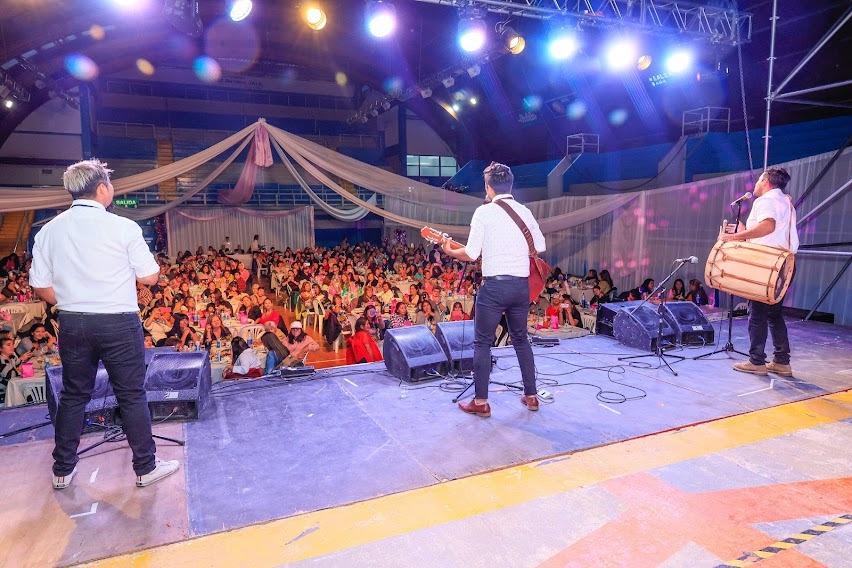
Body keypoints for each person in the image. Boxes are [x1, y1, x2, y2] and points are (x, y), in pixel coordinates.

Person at [30, 158, 179, 489]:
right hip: (117, 322)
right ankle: (145, 467)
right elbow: (149, 276)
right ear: (102, 188)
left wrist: (73, 301)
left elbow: (40, 286)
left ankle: (63, 470)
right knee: (130, 394)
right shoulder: (122, 227)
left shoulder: (49, 230)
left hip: (72, 322)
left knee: (73, 394)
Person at [441, 161, 545, 416]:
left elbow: (472, 253)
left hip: (495, 287)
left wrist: (449, 250)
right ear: (510, 185)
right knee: (521, 339)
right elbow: (539, 246)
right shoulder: (524, 211)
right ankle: (531, 395)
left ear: (488, 187)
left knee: (483, 344)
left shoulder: (484, 212)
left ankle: (481, 402)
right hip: (521, 287)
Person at [720, 167, 798, 377]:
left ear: (765, 180)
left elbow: (768, 226)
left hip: (768, 264)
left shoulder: (765, 201)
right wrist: (745, 231)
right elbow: (770, 230)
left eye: (757, 180)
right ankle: (782, 362)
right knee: (774, 314)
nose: (754, 185)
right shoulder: (785, 202)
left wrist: (736, 237)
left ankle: (757, 361)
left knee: (757, 313)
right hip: (785, 263)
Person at [1, 336, 33, 405]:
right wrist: (17, 369)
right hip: (5, 391)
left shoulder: (11, 357)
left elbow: (21, 367)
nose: (12, 347)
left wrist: (17, 368)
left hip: (15, 387)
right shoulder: (1, 360)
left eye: (12, 344)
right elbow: (11, 375)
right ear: (1, 348)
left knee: (33, 390)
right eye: (8, 345)